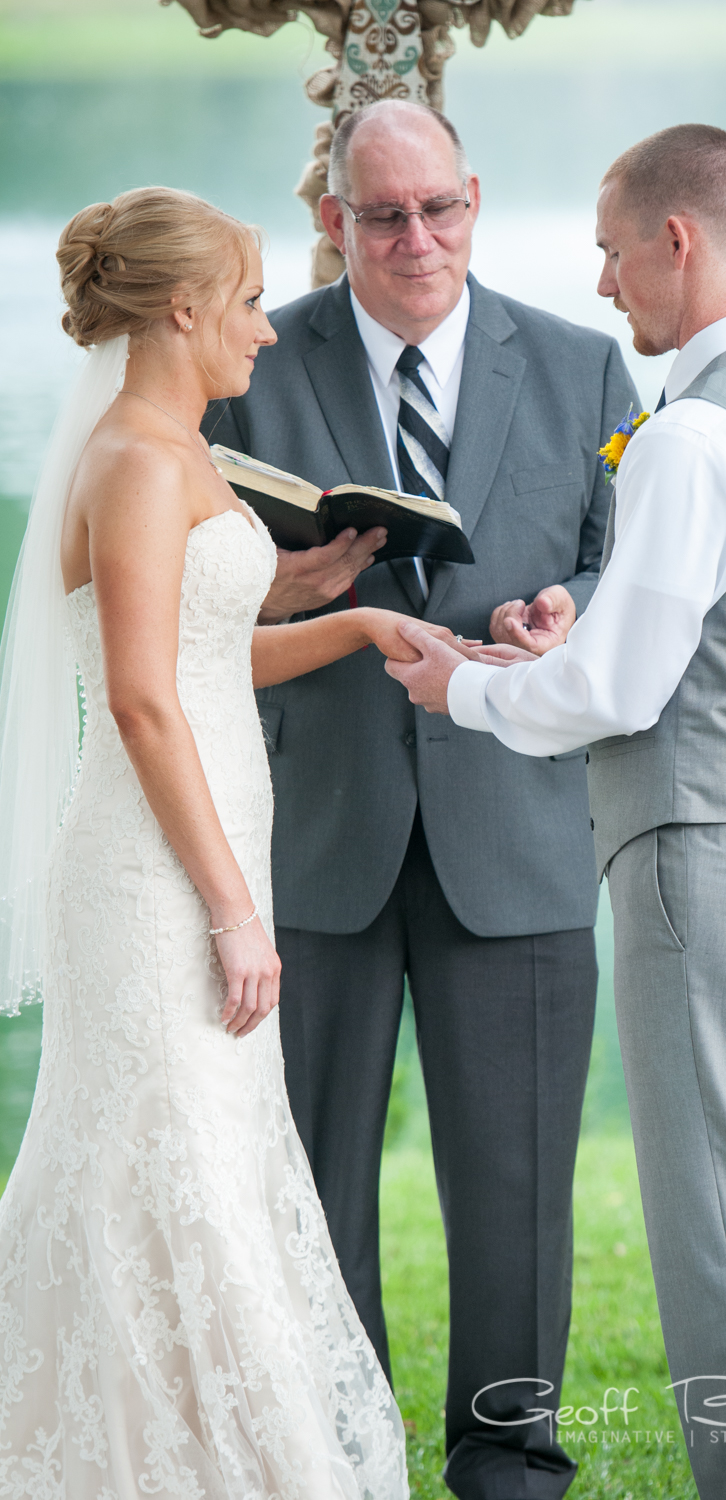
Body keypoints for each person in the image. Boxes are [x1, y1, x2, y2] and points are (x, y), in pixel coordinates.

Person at [387, 125, 726, 1500]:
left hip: (702, 853)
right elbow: (698, 626)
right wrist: (581, 620)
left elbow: (617, 691)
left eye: (611, 252)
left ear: (678, 241)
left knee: (721, 1237)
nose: (602, 286)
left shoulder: (696, 428)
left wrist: (460, 690)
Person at [204, 99, 638, 1500]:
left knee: (516, 1197)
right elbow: (187, 594)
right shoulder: (250, 364)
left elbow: (638, 582)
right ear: (332, 217)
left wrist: (574, 612)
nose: (415, 240)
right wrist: (288, 587)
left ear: (473, 197)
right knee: (309, 1187)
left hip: (512, 836)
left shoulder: (584, 367)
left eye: (439, 208)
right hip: (312, 832)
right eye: (381, 215)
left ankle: (508, 1467)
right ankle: (336, 1455)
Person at [0, 185, 451, 1499]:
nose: (264, 329)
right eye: (250, 299)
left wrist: (354, 623)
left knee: (201, 1172)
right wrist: (232, 912)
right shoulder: (138, 458)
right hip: (154, 887)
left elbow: (203, 662)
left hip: (204, 864)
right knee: (168, 1170)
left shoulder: (179, 447)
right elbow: (140, 702)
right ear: (184, 306)